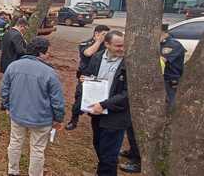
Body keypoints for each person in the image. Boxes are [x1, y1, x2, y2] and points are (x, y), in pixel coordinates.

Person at [119, 24, 186, 174]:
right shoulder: (154, 45)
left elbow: (157, 66)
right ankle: (134, 151)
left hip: (165, 88)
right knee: (134, 121)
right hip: (150, 87)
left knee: (152, 125)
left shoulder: (172, 46)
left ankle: (142, 161)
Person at [1, 37, 65, 176]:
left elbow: (4, 89)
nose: (49, 55)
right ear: (40, 53)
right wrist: (58, 118)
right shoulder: (50, 73)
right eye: (48, 52)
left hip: (17, 114)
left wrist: (6, 106)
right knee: (37, 149)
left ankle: (12, 171)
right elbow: (57, 100)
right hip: (41, 119)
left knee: (15, 143)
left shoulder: (13, 66)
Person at [81, 30, 129, 176]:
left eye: (123, 45)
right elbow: (89, 74)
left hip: (116, 115)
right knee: (99, 145)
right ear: (107, 44)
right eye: (118, 46)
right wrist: (85, 80)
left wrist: (105, 104)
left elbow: (128, 94)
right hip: (97, 112)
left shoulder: (128, 63)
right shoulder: (97, 57)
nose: (122, 49)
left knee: (109, 153)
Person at [66, 25, 110, 131]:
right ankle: (73, 120)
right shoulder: (86, 44)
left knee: (101, 100)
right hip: (86, 78)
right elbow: (88, 53)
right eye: (104, 34)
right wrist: (98, 41)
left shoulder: (108, 45)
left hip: (101, 78)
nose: (107, 36)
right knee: (79, 100)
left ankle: (97, 121)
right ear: (96, 34)